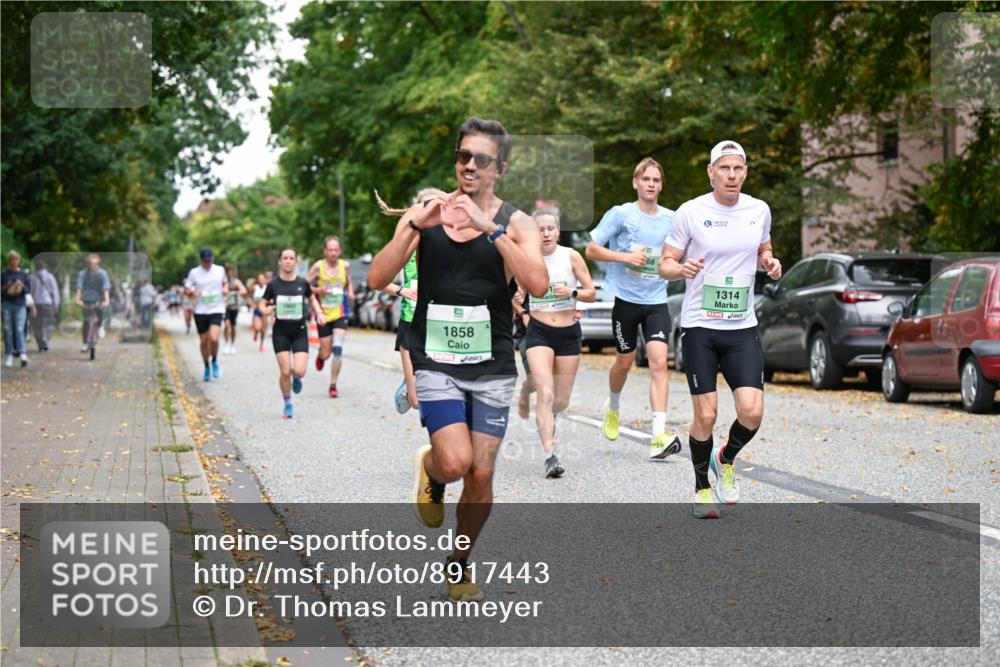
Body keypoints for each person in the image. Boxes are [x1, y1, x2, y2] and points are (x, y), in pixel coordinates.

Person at [367, 117, 547, 602]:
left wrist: (493, 231)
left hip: (491, 366)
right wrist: (411, 225)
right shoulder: (430, 212)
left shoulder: (517, 222)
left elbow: (538, 284)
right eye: (462, 156)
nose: (468, 166)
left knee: (483, 475)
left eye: (480, 160)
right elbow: (377, 277)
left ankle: (460, 561)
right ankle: (432, 470)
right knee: (456, 460)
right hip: (435, 360)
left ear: (500, 169)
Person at [659, 140, 783, 518]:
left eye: (738, 169)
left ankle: (725, 458)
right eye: (725, 169)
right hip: (700, 327)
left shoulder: (758, 210)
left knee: (752, 412)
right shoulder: (690, 212)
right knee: (707, 416)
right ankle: (700, 489)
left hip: (742, 326)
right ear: (711, 172)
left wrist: (769, 262)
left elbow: (764, 250)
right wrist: (679, 270)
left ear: (745, 172)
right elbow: (665, 262)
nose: (732, 176)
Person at [585, 158, 682, 459]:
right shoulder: (621, 214)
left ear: (661, 185)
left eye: (656, 179)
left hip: (655, 301)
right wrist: (625, 258)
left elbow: (680, 253)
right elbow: (591, 248)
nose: (651, 184)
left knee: (658, 362)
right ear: (636, 182)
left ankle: (658, 436)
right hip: (626, 300)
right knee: (624, 362)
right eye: (646, 179)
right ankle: (613, 406)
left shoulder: (672, 219)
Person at [521, 207, 596, 478]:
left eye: (550, 228)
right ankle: (549, 455)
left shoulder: (571, 256)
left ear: (557, 230)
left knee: (561, 400)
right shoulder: (527, 259)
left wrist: (572, 291)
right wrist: (524, 313)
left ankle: (547, 418)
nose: (546, 233)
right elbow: (516, 294)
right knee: (546, 393)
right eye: (540, 229)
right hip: (539, 332)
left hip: (568, 334)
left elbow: (591, 293)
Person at [375, 188, 447, 413]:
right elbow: (379, 280)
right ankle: (409, 386)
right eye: (427, 206)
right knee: (416, 401)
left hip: (442, 327)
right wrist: (401, 291)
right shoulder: (406, 244)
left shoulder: (453, 242)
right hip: (411, 323)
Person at [259, 248, 324, 419]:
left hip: (300, 332)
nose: (288, 261)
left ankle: (297, 378)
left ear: (295, 262)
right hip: (280, 332)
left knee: (300, 371)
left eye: (291, 258)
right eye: (285, 258)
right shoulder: (273, 284)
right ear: (280, 262)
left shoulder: (303, 283)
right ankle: (287, 403)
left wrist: (319, 313)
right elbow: (262, 304)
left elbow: (312, 299)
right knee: (285, 371)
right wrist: (267, 309)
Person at [308, 236, 355, 398]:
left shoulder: (345, 266)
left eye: (336, 250)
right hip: (323, 314)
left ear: (340, 251)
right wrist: (317, 290)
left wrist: (350, 291)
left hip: (341, 312)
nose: (333, 253)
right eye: (330, 250)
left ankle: (333, 385)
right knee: (326, 352)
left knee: (337, 349)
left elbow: (348, 281)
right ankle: (321, 356)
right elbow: (304, 285)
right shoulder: (318, 267)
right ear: (325, 251)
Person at [184, 248, 228, 382]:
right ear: (201, 260)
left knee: (214, 338)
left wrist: (225, 289)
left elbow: (225, 283)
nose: (208, 263)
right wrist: (192, 293)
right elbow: (186, 289)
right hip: (200, 309)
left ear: (213, 259)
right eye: (205, 261)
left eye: (210, 260)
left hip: (216, 308)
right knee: (203, 341)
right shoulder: (194, 272)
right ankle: (206, 366)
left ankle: (214, 360)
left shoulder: (220, 270)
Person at [2, 250, 33, 367]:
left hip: (20, 305)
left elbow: (28, 290)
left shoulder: (24, 275)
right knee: (8, 330)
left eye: (16, 259)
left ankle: (22, 353)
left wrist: (21, 285)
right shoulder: (4, 274)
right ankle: (9, 354)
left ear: (19, 260)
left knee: (19, 329)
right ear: (9, 261)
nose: (14, 262)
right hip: (6, 304)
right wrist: (8, 285)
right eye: (12, 259)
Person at [75, 254, 111, 354]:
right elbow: (79, 287)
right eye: (91, 264)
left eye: (95, 264)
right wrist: (78, 300)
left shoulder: (103, 274)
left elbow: (105, 288)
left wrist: (106, 301)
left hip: (99, 298)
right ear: (88, 264)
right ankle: (85, 343)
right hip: (86, 299)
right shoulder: (82, 274)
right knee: (86, 321)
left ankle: (100, 326)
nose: (93, 266)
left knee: (101, 311)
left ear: (98, 264)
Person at [29, 260, 59, 352]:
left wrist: (30, 305)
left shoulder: (31, 277)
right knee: (47, 324)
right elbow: (55, 291)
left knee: (36, 325)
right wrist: (56, 304)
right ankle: (45, 339)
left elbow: (30, 293)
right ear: (44, 268)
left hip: (36, 304)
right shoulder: (50, 277)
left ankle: (40, 343)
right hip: (48, 304)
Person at [222, 264, 248, 355]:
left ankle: (232, 344)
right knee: (226, 325)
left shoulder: (236, 282)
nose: (230, 273)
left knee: (232, 326)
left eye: (231, 271)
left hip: (234, 307)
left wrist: (235, 292)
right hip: (225, 307)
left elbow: (244, 290)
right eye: (228, 271)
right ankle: (226, 344)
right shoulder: (223, 281)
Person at [251, 273, 268, 350]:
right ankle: (256, 333)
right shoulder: (254, 288)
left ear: (265, 280)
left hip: (264, 310)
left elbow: (271, 298)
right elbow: (248, 297)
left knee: (263, 329)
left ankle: (261, 345)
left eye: (262, 279)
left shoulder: (267, 288)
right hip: (257, 310)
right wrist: (252, 304)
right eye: (259, 279)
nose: (261, 281)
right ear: (258, 280)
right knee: (257, 328)